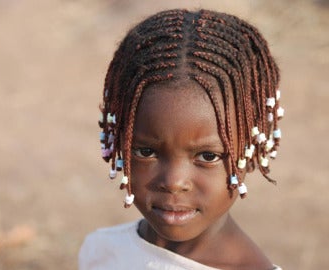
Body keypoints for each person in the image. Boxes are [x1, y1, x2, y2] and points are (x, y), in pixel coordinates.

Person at [79, 9, 284, 270]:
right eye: (146, 152)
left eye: (208, 156)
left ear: (255, 147)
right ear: (117, 140)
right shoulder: (101, 251)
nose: (174, 183)